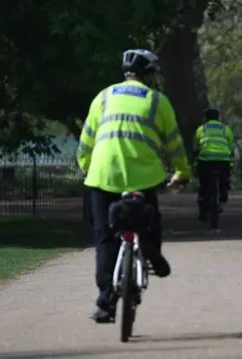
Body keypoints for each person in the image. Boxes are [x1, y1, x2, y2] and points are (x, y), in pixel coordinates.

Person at [77, 49, 191, 323]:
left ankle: (106, 305)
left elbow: (86, 141)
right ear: (149, 75)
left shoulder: (103, 97)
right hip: (142, 177)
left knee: (105, 239)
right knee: (150, 223)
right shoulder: (156, 101)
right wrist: (181, 173)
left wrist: (87, 167)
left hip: (103, 176)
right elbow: (173, 143)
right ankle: (151, 252)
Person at [193, 108, 235, 220]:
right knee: (224, 178)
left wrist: (195, 156)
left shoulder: (201, 129)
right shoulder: (226, 129)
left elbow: (196, 147)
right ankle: (223, 192)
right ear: (218, 117)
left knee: (204, 184)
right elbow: (231, 146)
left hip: (206, 160)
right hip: (223, 159)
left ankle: (203, 205)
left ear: (206, 118)